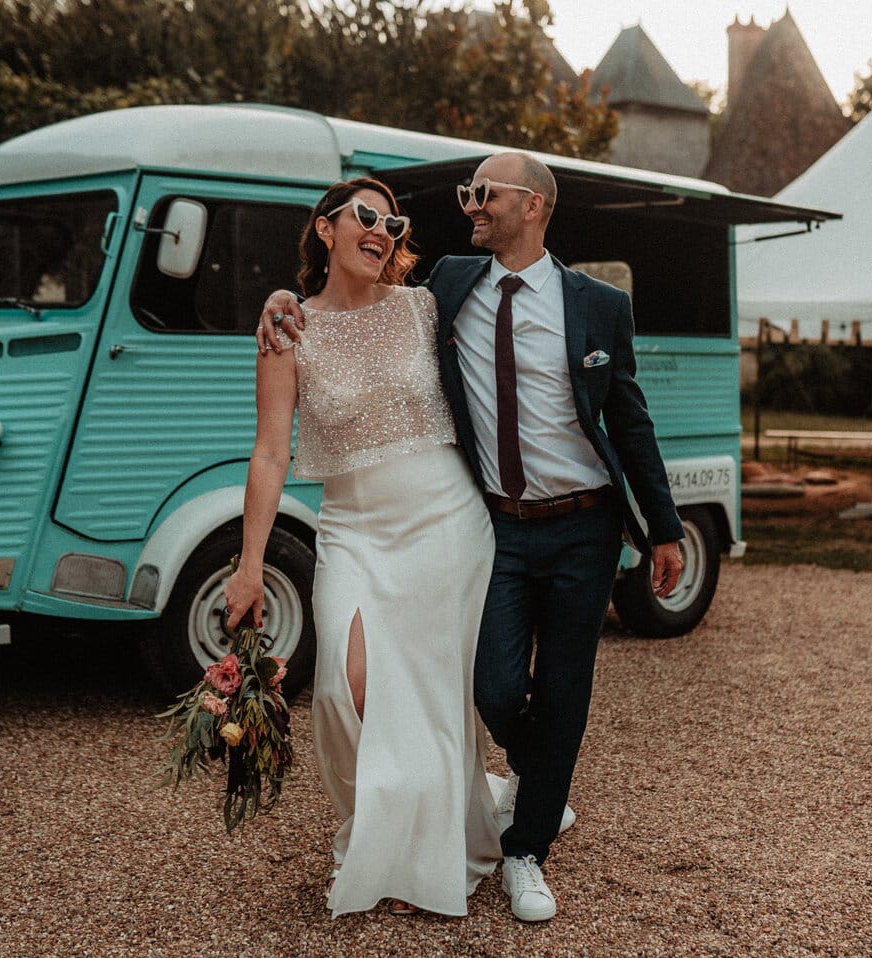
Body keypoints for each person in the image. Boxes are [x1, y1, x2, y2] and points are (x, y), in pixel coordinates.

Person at [259, 152, 685, 923]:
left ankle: (524, 847)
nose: (468, 207)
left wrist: (663, 527)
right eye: (465, 195)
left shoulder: (592, 305)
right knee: (465, 688)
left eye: (482, 194)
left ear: (532, 205)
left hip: (573, 525)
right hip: (478, 527)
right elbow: (341, 310)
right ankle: (521, 780)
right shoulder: (449, 287)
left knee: (559, 687)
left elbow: (628, 417)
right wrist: (281, 294)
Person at [224, 178, 501, 917]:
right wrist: (249, 566)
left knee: (428, 694)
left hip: (445, 521)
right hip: (352, 530)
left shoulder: (426, 305)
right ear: (325, 230)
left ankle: (420, 859)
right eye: (365, 216)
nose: (381, 229)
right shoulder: (289, 328)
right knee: (349, 689)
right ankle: (375, 828)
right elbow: (268, 454)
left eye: (393, 221)